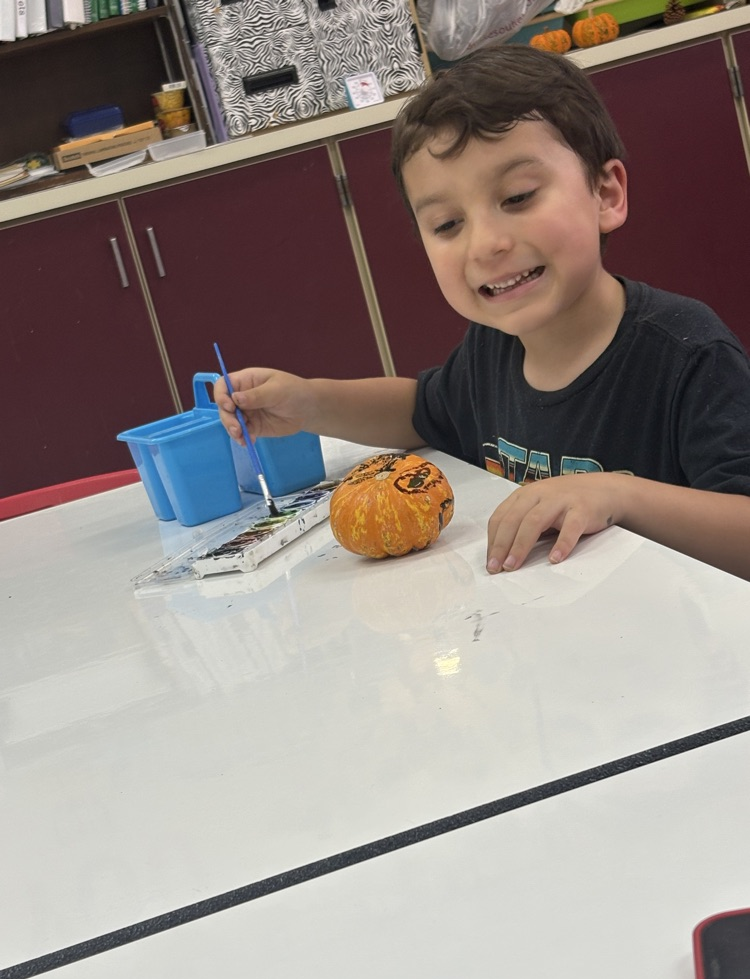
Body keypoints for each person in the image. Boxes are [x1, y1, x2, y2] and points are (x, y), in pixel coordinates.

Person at [215, 44, 750, 581]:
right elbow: (420, 410)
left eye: (517, 197)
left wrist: (620, 495)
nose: (485, 244)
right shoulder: (491, 349)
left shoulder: (688, 353)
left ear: (605, 193)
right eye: (448, 224)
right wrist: (309, 403)